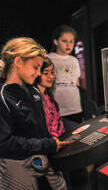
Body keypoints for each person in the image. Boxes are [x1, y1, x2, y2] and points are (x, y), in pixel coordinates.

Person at [0, 37, 69, 189]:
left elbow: (41, 129)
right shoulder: (3, 96)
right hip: (16, 170)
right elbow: (4, 144)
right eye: (35, 67)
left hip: (43, 163)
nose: (38, 73)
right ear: (18, 62)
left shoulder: (34, 92)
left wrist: (50, 145)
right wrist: (47, 144)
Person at [48, 25, 83, 126]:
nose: (68, 44)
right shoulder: (49, 59)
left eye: (71, 41)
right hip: (57, 110)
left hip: (75, 108)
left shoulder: (74, 60)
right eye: (64, 41)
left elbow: (77, 82)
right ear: (56, 41)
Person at [34, 57, 66, 138]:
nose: (51, 76)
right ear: (37, 73)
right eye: (46, 73)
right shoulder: (34, 98)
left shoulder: (48, 94)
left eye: (52, 72)